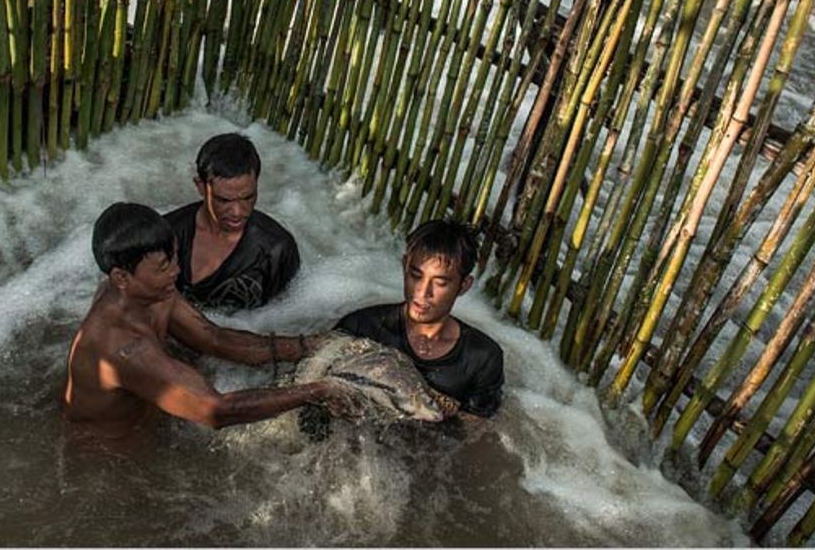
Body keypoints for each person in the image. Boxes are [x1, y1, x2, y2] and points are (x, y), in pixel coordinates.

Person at [63, 202, 339, 438]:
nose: (176, 271)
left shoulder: (150, 291)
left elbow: (212, 338)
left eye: (175, 257)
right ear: (121, 277)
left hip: (147, 421)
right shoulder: (122, 349)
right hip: (111, 456)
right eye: (164, 266)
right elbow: (216, 411)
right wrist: (322, 390)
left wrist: (313, 346)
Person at [335, 220, 504, 418]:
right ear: (404, 266)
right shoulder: (362, 327)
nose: (423, 292)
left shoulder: (482, 358)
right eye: (416, 275)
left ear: (464, 285)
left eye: (440, 283)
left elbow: (478, 430)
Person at [163, 133, 301, 311]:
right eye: (224, 200)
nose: (237, 212)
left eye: (248, 198)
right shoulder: (166, 233)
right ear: (201, 187)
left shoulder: (276, 250)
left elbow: (291, 314)